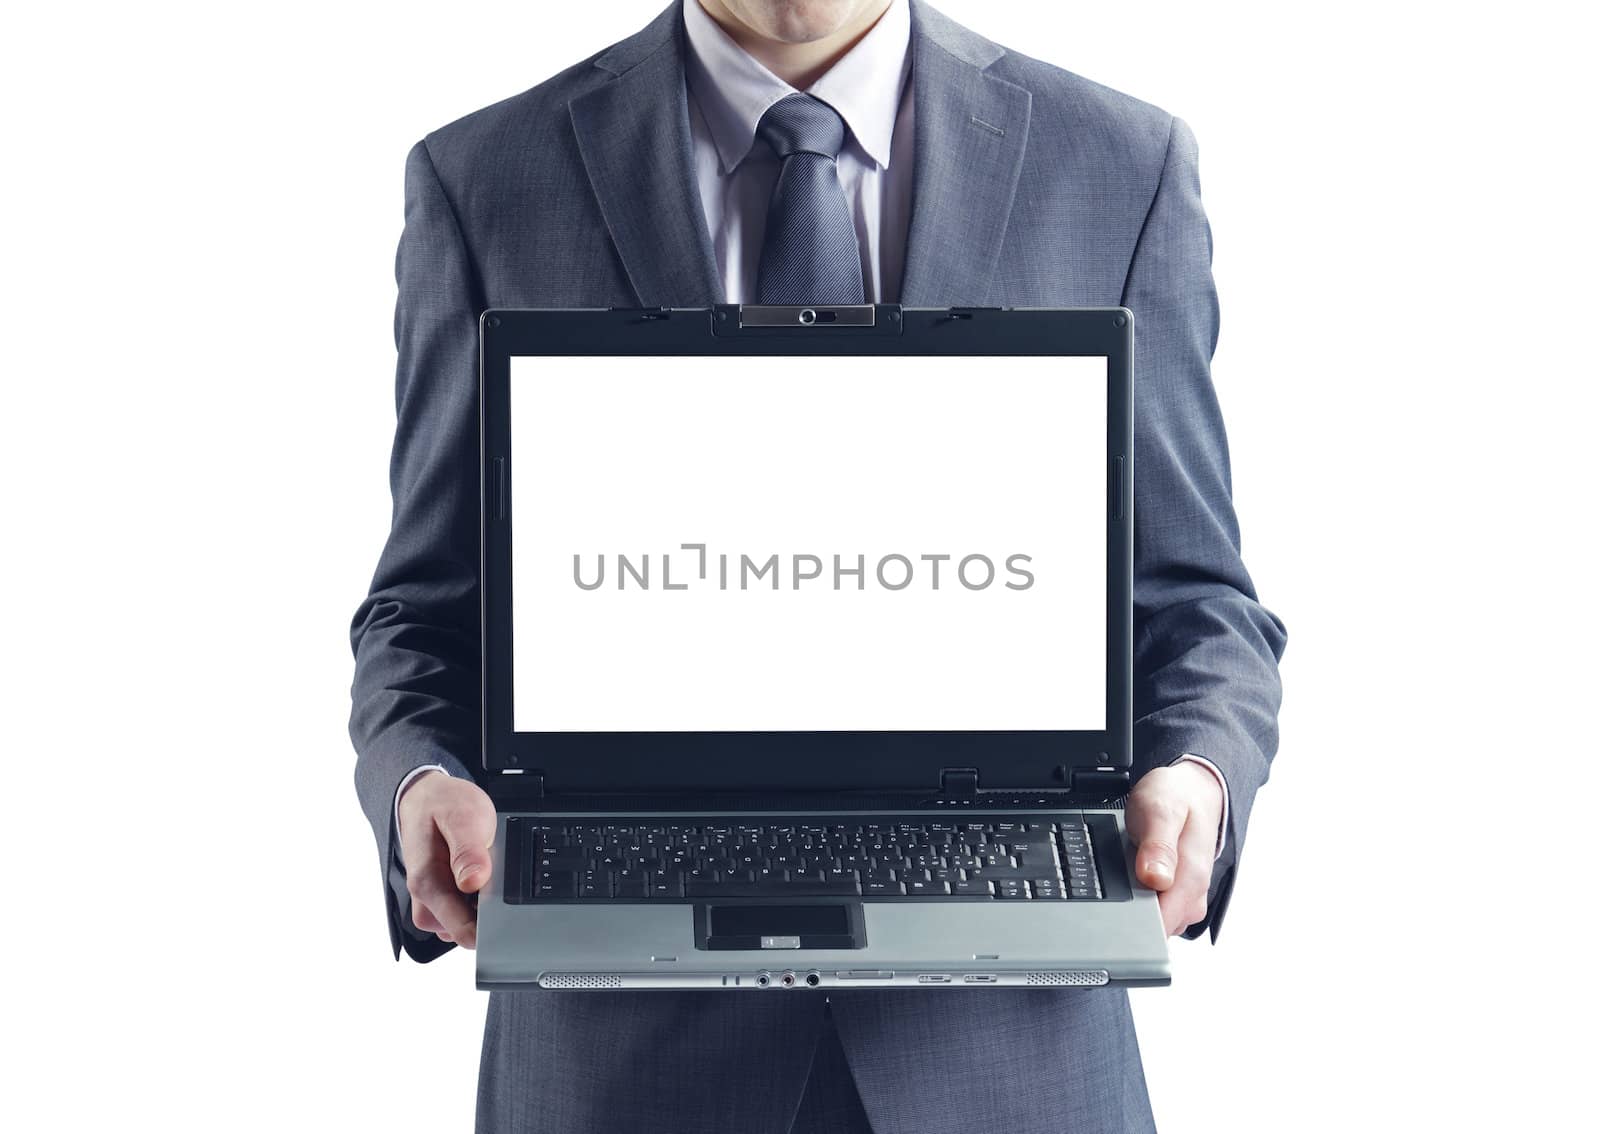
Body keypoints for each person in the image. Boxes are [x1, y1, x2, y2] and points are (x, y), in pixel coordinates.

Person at [348, 1, 1287, 1130]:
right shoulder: (486, 173)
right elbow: (425, 605)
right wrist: (420, 781)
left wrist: (1197, 774)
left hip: (1007, 1062)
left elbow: (1192, 596)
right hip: (621, 1071)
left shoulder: (1119, 163)